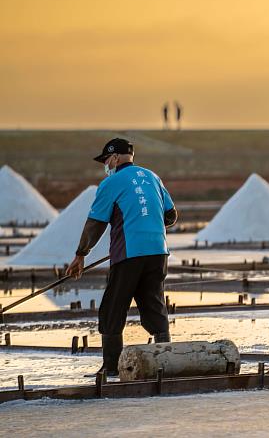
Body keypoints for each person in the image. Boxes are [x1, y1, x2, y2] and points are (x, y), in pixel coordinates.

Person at [66, 138, 178, 377]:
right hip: (159, 252)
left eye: (106, 160)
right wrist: (147, 227)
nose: (105, 165)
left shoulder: (111, 182)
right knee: (154, 305)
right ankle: (164, 361)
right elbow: (171, 215)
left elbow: (95, 224)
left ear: (115, 158)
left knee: (112, 307)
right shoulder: (153, 177)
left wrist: (80, 254)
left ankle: (111, 367)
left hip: (129, 254)